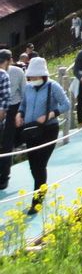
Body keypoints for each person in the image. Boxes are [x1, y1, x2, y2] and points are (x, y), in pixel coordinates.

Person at [15, 57, 70, 214]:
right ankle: (41, 189)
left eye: (35, 75)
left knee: (40, 164)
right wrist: (19, 114)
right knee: (33, 166)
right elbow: (23, 105)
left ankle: (37, 201)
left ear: (42, 74)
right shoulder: (28, 88)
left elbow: (66, 104)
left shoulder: (53, 86)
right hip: (31, 130)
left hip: (48, 130)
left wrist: (50, 114)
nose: (32, 78)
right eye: (30, 76)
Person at [0, 49, 25, 190]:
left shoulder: (18, 72)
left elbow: (24, 93)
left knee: (7, 143)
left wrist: (20, 113)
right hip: (1, 109)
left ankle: (4, 176)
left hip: (13, 109)